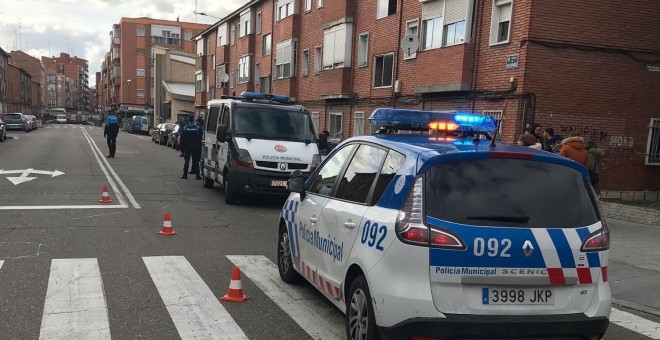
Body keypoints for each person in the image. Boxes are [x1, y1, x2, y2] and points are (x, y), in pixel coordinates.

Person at [180, 115, 203, 179]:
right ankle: (197, 175)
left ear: (188, 120)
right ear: (193, 120)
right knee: (195, 161)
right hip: (195, 147)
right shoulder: (197, 128)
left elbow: (182, 139)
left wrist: (182, 149)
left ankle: (185, 175)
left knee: (187, 161)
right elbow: (201, 137)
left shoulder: (185, 127)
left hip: (187, 147)